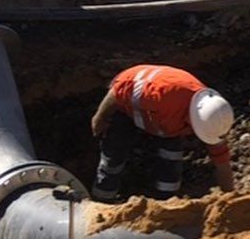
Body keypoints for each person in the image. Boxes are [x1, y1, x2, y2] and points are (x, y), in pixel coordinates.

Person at [90, 64, 235, 202]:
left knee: (171, 160)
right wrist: (100, 117)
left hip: (163, 123)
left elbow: (221, 161)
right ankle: (102, 200)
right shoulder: (161, 95)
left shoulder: (214, 117)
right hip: (126, 109)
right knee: (113, 156)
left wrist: (229, 197)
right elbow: (118, 91)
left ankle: (165, 203)